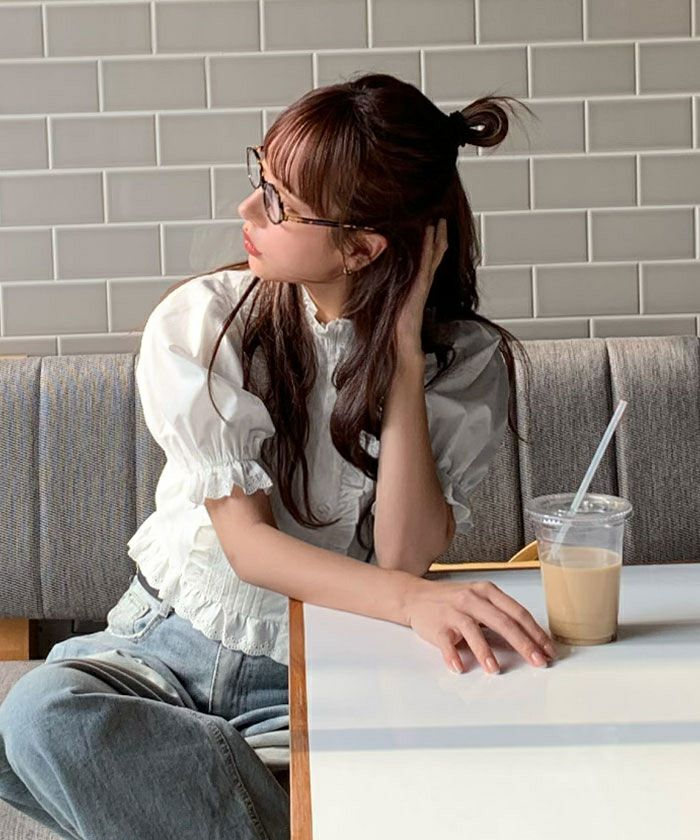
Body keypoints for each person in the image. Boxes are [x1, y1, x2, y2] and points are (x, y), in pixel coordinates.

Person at [0, 72, 555, 840]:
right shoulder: (205, 323)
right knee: (35, 719)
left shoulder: (461, 362)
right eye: (261, 178)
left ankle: (221, 786)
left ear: (362, 246)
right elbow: (249, 548)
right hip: (163, 645)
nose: (248, 210)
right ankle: (251, 790)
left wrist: (399, 353)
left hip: (318, 662)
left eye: (280, 204)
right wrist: (411, 603)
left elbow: (404, 556)